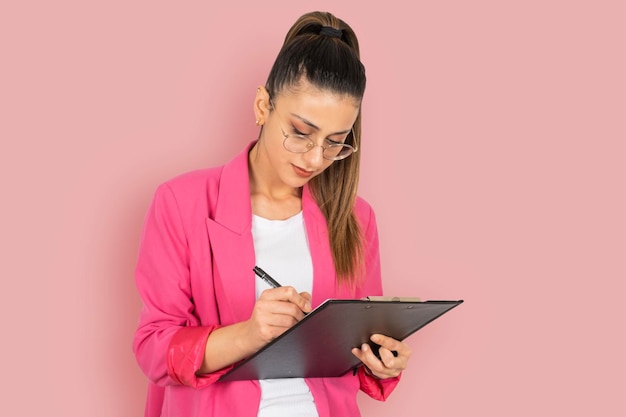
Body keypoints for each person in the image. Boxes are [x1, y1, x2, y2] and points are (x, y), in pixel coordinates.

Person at [133, 10, 412, 417]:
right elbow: (154, 349)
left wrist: (383, 362)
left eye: (335, 142)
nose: (316, 158)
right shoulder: (181, 202)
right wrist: (250, 334)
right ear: (263, 105)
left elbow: (359, 349)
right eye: (301, 132)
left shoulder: (356, 217)